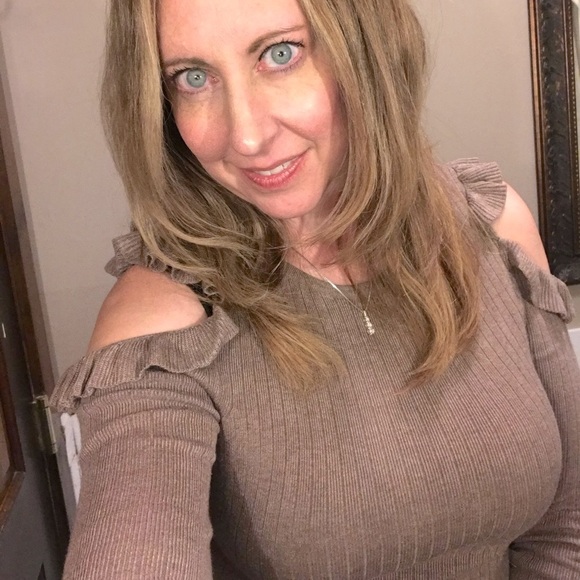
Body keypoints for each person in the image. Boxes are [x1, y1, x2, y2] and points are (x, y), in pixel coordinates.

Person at [51, 0, 580, 577]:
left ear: (367, 47)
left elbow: (566, 528)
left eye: (280, 54)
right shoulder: (163, 325)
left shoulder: (490, 228)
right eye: (193, 77)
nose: (246, 135)